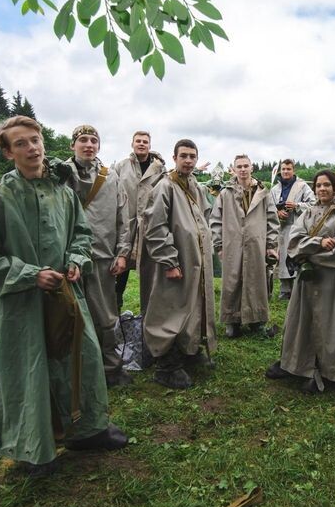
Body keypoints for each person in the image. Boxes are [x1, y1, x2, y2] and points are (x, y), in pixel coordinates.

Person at [0, 116, 127, 477]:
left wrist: (75, 260)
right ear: (7, 153)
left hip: (65, 298)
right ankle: (33, 450)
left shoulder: (63, 194)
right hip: (19, 307)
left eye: (35, 140)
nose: (32, 148)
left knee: (80, 359)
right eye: (20, 143)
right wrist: (30, 275)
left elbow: (81, 235)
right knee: (28, 372)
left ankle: (88, 430)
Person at [265, 169, 335, 393]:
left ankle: (330, 371)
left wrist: (310, 255)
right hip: (307, 278)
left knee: (330, 323)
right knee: (301, 319)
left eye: (327, 185)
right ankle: (295, 363)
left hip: (333, 279)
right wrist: (318, 243)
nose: (322, 189)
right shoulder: (307, 214)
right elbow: (294, 241)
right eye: (318, 185)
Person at [142, 138, 217, 389]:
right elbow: (155, 227)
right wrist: (169, 260)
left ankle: (189, 350)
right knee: (170, 307)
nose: (188, 160)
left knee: (194, 305)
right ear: (174, 158)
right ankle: (166, 363)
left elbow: (202, 219)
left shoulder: (194, 185)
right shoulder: (165, 186)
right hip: (176, 260)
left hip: (196, 261)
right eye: (183, 156)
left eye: (192, 156)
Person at [63, 125, 133, 388]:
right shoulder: (60, 175)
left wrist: (122, 253)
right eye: (83, 140)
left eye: (94, 140)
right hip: (66, 260)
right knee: (69, 316)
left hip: (102, 257)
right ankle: (75, 370)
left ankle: (111, 369)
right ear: (73, 145)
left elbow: (122, 217)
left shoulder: (110, 176)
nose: (89, 145)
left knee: (106, 316)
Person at [211, 154, 280, 337]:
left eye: (245, 166)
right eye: (239, 166)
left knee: (256, 282)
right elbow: (215, 221)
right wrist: (219, 245)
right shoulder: (225, 194)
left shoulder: (263, 193)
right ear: (233, 170)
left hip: (257, 243)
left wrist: (271, 244)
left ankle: (256, 320)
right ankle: (232, 321)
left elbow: (272, 220)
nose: (242, 169)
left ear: (252, 168)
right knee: (232, 281)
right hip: (231, 244)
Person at [113, 130, 166, 312]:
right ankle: (114, 309)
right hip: (125, 225)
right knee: (120, 270)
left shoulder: (159, 169)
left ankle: (150, 314)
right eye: (138, 141)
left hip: (149, 226)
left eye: (145, 141)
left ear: (150, 146)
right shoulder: (120, 167)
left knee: (150, 271)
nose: (141, 144)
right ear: (132, 144)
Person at [269, 159, 315, 300]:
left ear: (293, 170)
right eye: (283, 169)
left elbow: (313, 204)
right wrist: (277, 213)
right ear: (280, 171)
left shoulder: (302, 186)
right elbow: (268, 208)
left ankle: (297, 290)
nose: (286, 171)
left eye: (288, 169)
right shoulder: (275, 189)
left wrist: (296, 205)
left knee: (296, 257)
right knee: (282, 259)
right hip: (280, 229)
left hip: (297, 228)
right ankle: (284, 290)